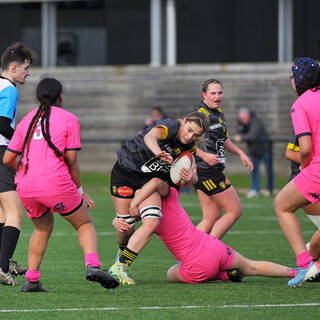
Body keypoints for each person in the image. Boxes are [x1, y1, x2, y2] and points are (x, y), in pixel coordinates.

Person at [2, 78, 119, 291]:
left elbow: (8, 159)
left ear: (38, 98)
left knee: (43, 227)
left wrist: (26, 172)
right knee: (84, 223)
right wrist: (80, 191)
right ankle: (93, 265)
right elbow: (71, 160)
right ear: (61, 96)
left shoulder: (26, 120)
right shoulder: (69, 119)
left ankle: (32, 279)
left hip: (26, 186)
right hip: (55, 182)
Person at [114, 177, 298, 284]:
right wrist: (124, 217)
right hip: (213, 245)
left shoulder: (149, 218)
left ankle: (223, 275)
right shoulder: (170, 196)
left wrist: (132, 206)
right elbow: (155, 183)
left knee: (171, 273)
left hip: (198, 265)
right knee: (252, 266)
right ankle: (296, 272)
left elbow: (132, 225)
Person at [108, 111, 209, 285]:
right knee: (126, 228)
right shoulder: (171, 126)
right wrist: (158, 152)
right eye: (189, 129)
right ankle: (122, 249)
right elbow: (150, 136)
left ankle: (121, 266)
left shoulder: (189, 149)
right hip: (126, 172)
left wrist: (191, 179)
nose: (190, 136)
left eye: (195, 135)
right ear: (184, 122)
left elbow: (188, 180)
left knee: (152, 220)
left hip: (148, 182)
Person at [274, 57, 320, 287]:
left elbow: (305, 148)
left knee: (281, 205)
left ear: (300, 77)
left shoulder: (301, 104)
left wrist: (305, 166)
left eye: (293, 76)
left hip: (317, 170)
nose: (291, 81)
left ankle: (305, 264)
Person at [193, 79, 253, 239]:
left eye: (220, 92)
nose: (217, 96)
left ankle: (187, 255)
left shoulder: (217, 113)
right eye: (213, 93)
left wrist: (240, 153)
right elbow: (184, 140)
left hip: (209, 170)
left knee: (211, 217)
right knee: (235, 210)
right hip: (207, 170)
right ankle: (209, 250)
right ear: (204, 95)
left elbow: (223, 139)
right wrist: (204, 155)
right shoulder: (200, 115)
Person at [0, 42, 35, 285]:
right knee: (15, 214)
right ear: (14, 67)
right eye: (26, 68)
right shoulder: (9, 89)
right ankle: (2, 268)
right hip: (1, 152)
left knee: (2, 212)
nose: (28, 72)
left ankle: (4, 260)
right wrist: (23, 143)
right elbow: (2, 125)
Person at [286, 135, 320, 265]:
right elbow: (289, 153)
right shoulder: (306, 127)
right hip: (306, 183)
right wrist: (312, 165)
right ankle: (312, 261)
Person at [234, 108, 274, 198]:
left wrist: (242, 137)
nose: (243, 119)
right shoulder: (240, 122)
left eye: (245, 117)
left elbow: (252, 136)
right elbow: (238, 132)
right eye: (242, 118)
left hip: (265, 149)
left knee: (269, 171)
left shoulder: (256, 121)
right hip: (253, 151)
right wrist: (241, 136)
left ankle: (269, 189)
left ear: (248, 115)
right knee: (254, 170)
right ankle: (255, 190)